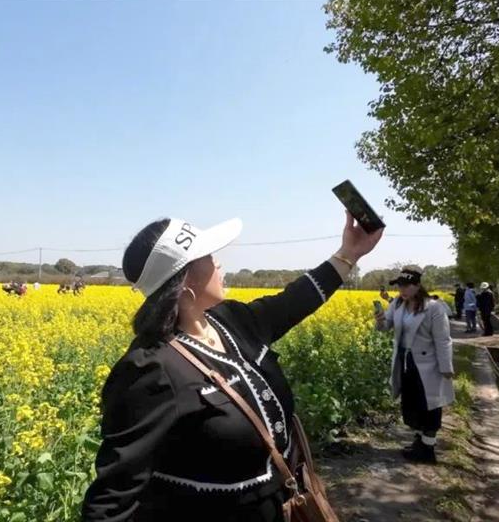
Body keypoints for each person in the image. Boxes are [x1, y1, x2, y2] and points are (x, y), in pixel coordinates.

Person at [81, 213, 382, 521]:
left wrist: (350, 253)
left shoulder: (231, 320)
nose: (220, 264)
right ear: (185, 279)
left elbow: (293, 301)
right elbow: (112, 500)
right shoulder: (150, 369)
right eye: (210, 257)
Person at [375, 269, 454, 464]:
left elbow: (443, 340)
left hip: (429, 364)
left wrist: (446, 367)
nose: (402, 289)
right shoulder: (397, 305)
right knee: (411, 403)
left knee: (429, 405)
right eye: (400, 285)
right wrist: (380, 320)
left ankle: (428, 449)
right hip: (406, 362)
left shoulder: (434, 308)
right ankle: (419, 442)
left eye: (406, 285)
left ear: (418, 285)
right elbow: (386, 327)